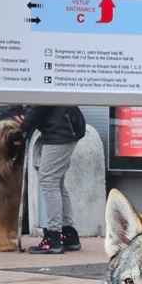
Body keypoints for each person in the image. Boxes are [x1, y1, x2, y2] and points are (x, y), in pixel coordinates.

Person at [18, 105, 86, 253]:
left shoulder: (42, 82)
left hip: (59, 130)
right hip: (65, 126)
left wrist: (24, 126)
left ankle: (54, 238)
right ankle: (68, 234)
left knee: (49, 181)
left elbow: (40, 103)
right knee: (57, 182)